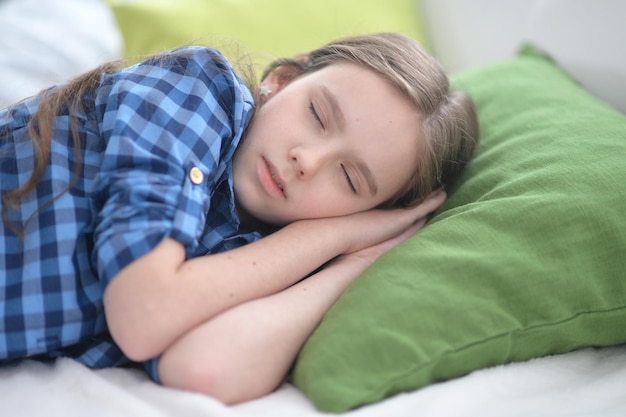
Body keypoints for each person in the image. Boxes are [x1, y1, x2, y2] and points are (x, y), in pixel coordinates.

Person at [0, 32, 478, 404]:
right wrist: (338, 230)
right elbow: (143, 315)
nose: (307, 160)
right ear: (281, 82)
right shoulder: (199, 89)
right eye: (317, 115)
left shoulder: (261, 253)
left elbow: (204, 369)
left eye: (350, 179)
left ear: (372, 211)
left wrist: (353, 255)